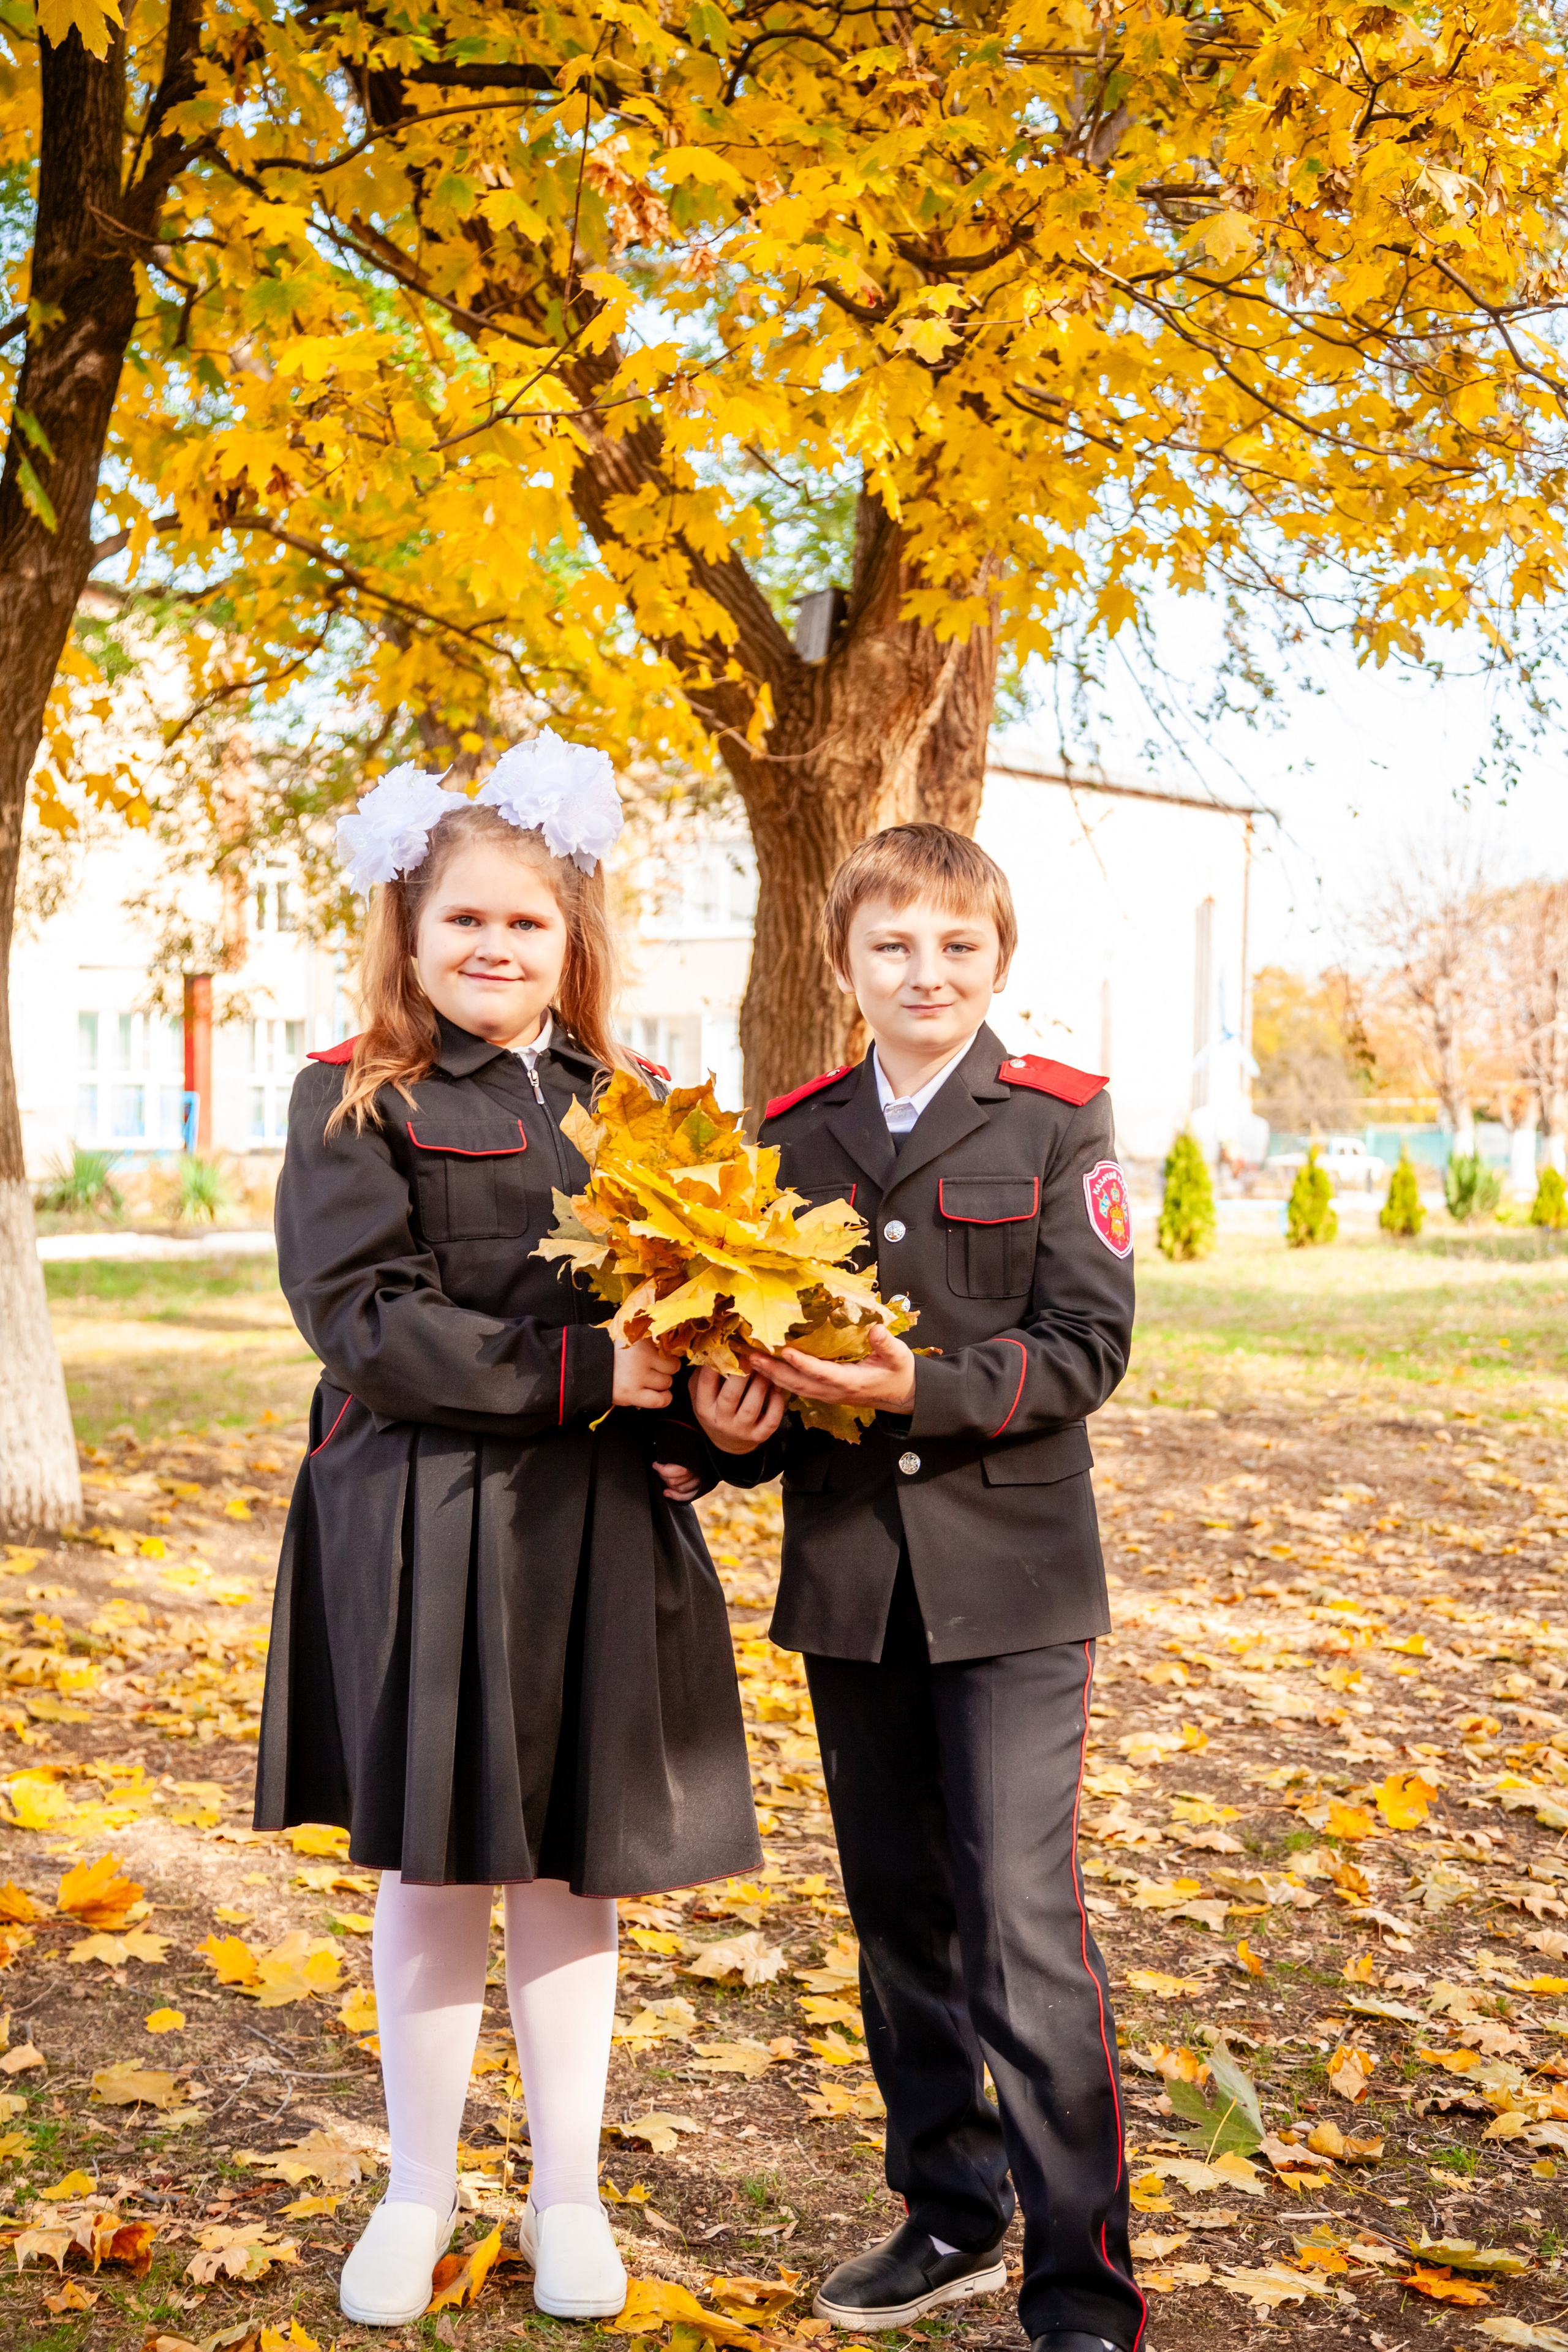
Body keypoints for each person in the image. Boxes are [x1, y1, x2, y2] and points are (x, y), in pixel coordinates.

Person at [254, 741, 760, 2329]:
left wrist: (716, 1432)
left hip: (599, 1527)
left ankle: (567, 2200)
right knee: (436, 1872)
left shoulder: (646, 1113)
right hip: (424, 1522)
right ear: (408, 933)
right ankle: (415, 2192)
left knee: (568, 1876)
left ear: (574, 940)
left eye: (526, 925)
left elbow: (678, 1323)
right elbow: (364, 1322)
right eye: (463, 919)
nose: (493, 947)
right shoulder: (356, 1099)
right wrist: (579, 1370)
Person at [693, 824, 1144, 2352]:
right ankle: (949, 2209)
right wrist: (717, 1437)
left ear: (996, 961)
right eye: (892, 947)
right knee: (895, 1916)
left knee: (1020, 1925)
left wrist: (922, 1384)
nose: (924, 972)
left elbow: (1086, 1351)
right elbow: (759, 1348)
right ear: (843, 966)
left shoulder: (1057, 1123)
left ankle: (1081, 2287)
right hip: (851, 1584)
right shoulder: (793, 1135)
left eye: (956, 947)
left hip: (1011, 1583)